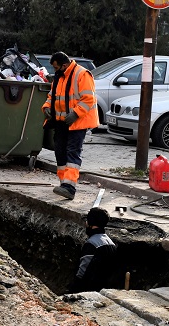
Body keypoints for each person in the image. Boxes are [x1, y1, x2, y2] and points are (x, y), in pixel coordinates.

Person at [42, 51, 99, 200]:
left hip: (78, 122)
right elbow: (52, 96)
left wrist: (75, 113)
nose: (54, 70)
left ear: (64, 65)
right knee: (60, 151)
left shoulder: (82, 74)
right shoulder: (60, 76)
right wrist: (47, 107)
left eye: (56, 67)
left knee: (72, 152)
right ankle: (63, 183)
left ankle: (69, 187)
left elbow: (89, 99)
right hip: (61, 122)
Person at [69, 207, 118, 292]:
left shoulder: (92, 244)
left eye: (87, 221)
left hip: (88, 291)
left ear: (91, 223)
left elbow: (82, 272)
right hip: (103, 291)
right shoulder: (111, 243)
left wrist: (73, 290)